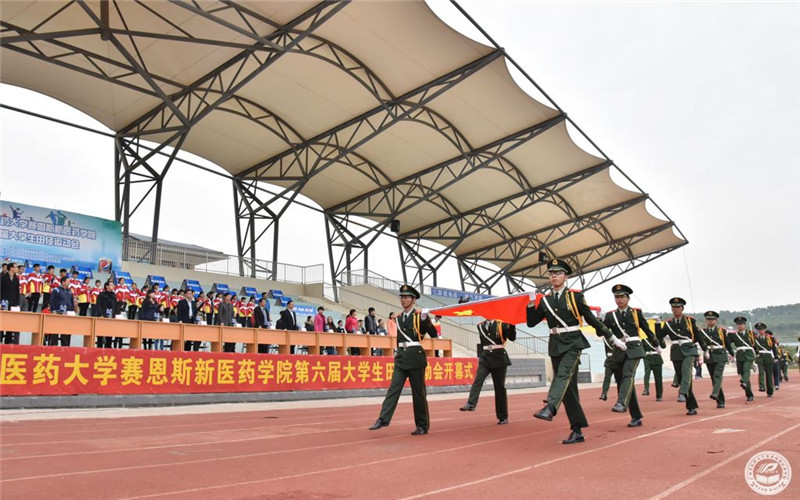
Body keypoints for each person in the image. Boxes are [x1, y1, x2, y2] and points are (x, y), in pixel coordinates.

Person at [526, 259, 620, 445]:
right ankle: (577, 430)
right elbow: (531, 323)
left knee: (562, 375)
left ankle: (550, 407)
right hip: (555, 344)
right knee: (569, 390)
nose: (554, 276)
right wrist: (530, 304)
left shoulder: (575, 297)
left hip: (573, 343)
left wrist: (611, 337)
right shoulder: (545, 300)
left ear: (566, 277)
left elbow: (592, 319)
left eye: (558, 273)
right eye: (551, 273)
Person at [369, 284, 438, 435]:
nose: (403, 300)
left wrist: (426, 319)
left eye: (406, 297)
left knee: (418, 393)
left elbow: (433, 334)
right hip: (401, 357)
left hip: (415, 357)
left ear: (413, 300)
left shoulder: (420, 316)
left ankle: (422, 425)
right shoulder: (398, 318)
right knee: (394, 388)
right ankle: (383, 418)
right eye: (401, 297)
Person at [601, 284, 659, 427]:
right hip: (619, 350)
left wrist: (656, 344)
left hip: (634, 349)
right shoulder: (610, 315)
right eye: (617, 297)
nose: (619, 299)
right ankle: (636, 416)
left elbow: (646, 329)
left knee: (628, 375)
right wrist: (600, 323)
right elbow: (600, 332)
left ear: (628, 298)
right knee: (624, 383)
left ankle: (621, 403)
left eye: (622, 297)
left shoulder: (636, 313)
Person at [459, 318, 516, 424]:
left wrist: (512, 325)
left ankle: (502, 416)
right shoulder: (480, 326)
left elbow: (512, 338)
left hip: (499, 357)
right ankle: (471, 403)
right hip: (485, 357)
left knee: (499, 388)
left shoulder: (502, 324)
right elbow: (482, 342)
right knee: (478, 380)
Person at [656, 297, 701, 415]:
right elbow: (659, 335)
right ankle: (691, 406)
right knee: (682, 377)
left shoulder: (690, 321)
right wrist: (657, 324)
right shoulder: (668, 323)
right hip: (676, 351)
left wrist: (704, 349)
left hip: (689, 349)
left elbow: (697, 335)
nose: (676, 309)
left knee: (686, 371)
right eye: (674, 307)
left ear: (682, 308)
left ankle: (682, 393)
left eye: (678, 307)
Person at [697, 311, 729, 408]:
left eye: (712, 319)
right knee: (713, 378)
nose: (710, 321)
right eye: (708, 319)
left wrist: (732, 354)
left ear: (716, 320)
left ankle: (715, 393)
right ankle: (720, 400)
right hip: (709, 356)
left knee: (717, 375)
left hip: (720, 355)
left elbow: (727, 343)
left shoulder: (722, 331)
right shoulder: (702, 332)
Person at [726, 316, 756, 402]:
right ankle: (749, 394)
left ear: (745, 325)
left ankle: (744, 381)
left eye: (741, 324)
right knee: (743, 374)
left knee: (746, 369)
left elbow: (755, 344)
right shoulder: (734, 335)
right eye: (738, 324)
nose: (740, 326)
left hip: (749, 354)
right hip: (740, 355)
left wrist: (757, 353)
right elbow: (727, 342)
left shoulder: (751, 333)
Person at [642, 326, 667, 401]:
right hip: (647, 358)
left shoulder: (657, 338)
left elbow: (663, 346)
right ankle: (646, 389)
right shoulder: (643, 340)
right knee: (647, 373)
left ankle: (659, 395)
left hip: (656, 358)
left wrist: (660, 339)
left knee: (658, 378)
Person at [48, 276, 74, 346]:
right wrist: (53, 310)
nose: (69, 283)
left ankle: (65, 347)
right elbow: (51, 300)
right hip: (57, 314)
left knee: (66, 332)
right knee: (55, 332)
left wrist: (72, 311)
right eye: (68, 281)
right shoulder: (56, 290)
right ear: (63, 282)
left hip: (67, 316)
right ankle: (53, 346)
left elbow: (71, 302)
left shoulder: (69, 291)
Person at [753, 323, 778, 397]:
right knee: (761, 372)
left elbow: (774, 348)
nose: (760, 331)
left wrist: (776, 357)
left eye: (762, 329)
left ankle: (770, 391)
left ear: (764, 330)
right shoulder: (755, 339)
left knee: (769, 374)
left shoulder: (770, 338)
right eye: (759, 329)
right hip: (760, 356)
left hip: (768, 357)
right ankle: (762, 386)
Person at [0, 262, 22, 344]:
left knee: (10, 322)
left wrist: (17, 304)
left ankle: (8, 341)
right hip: (3, 302)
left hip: (13, 304)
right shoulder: (2, 277)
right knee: (2, 321)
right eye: (15, 267)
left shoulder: (17, 279)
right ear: (11, 268)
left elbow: (17, 292)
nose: (17, 269)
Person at [95, 281, 116, 348]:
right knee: (100, 334)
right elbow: (98, 304)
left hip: (110, 317)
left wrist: (114, 315)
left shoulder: (113, 295)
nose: (113, 286)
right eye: (111, 285)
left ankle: (108, 347)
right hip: (102, 316)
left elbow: (114, 306)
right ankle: (99, 347)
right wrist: (101, 314)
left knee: (109, 333)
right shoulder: (102, 294)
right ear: (107, 286)